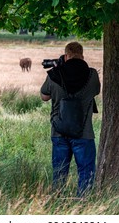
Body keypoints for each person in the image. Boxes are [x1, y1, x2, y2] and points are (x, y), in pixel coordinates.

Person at [40, 41, 101, 196]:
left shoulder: (54, 74)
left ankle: (57, 203)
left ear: (66, 56)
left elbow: (44, 96)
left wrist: (58, 69)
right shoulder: (92, 74)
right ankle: (83, 206)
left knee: (59, 173)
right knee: (86, 172)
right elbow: (96, 91)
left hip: (59, 131)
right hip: (84, 133)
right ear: (82, 56)